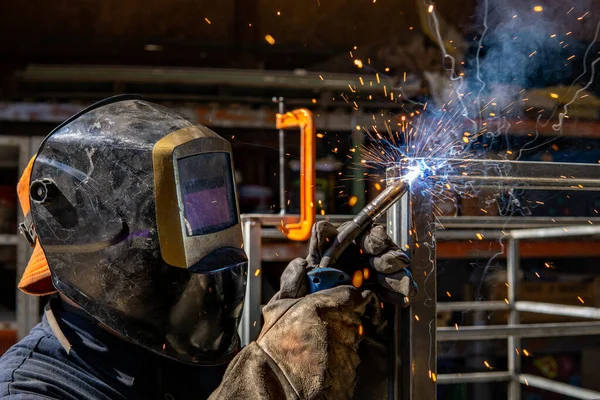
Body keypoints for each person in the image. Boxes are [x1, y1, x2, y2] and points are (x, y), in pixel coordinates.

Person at [0, 95, 415, 399]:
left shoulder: (187, 352)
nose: (206, 246)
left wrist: (356, 343)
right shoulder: (32, 389)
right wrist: (268, 382)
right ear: (98, 247)